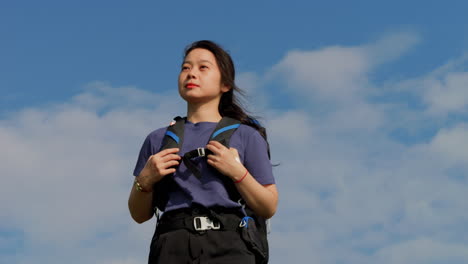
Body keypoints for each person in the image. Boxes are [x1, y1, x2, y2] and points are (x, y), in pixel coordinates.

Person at [128, 40, 278, 264]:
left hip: (230, 246)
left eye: (203, 67)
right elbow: (139, 215)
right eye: (185, 68)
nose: (191, 74)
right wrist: (145, 180)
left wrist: (238, 173)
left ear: (225, 84)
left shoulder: (246, 136)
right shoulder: (158, 139)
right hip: (171, 246)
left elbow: (268, 206)